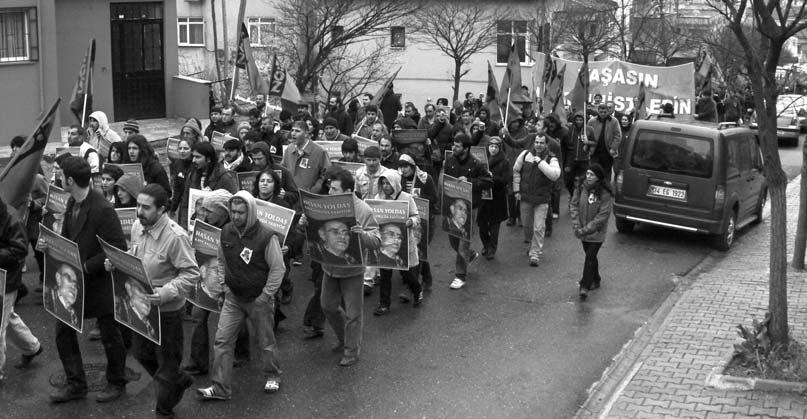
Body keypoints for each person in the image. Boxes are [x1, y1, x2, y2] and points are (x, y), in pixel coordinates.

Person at [107, 184, 200, 418]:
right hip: (142, 307)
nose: (139, 211)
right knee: (141, 355)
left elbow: (192, 274)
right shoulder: (139, 226)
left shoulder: (176, 237)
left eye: (146, 207)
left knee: (167, 365)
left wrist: (166, 292)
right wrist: (117, 262)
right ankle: (179, 379)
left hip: (167, 312)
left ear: (161, 209)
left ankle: (164, 409)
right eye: (138, 205)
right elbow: (136, 255)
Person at [41, 156, 129, 403]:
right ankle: (76, 384)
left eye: (60, 174)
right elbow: (70, 239)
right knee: (63, 331)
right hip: (75, 282)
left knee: (111, 336)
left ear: (69, 180)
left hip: (99, 283)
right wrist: (51, 244)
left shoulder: (102, 209)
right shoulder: (72, 202)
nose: (57, 177)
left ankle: (117, 382)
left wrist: (85, 266)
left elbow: (116, 248)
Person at [196, 191, 285, 400]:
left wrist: (265, 296)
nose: (235, 216)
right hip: (233, 298)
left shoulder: (267, 236)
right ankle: (220, 388)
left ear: (251, 212)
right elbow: (220, 259)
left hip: (258, 300)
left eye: (241, 213)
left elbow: (278, 269)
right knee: (222, 341)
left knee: (265, 341)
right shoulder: (226, 231)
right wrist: (224, 286)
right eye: (233, 211)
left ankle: (273, 375)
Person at [299, 168, 381, 366]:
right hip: (330, 267)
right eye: (329, 188)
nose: (329, 193)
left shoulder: (363, 209)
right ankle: (345, 338)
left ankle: (352, 351)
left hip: (352, 270)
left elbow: (377, 241)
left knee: (354, 314)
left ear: (348, 191)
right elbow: (310, 233)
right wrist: (302, 224)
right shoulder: (323, 205)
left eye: (334, 189)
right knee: (327, 305)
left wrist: (362, 234)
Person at [0, 195, 43, 383]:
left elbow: (20, 250)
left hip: (5, 280)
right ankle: (32, 347)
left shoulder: (11, 217)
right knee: (6, 316)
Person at [442, 134, 492, 289]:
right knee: (453, 239)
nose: (453, 148)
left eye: (457, 146)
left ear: (466, 148)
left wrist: (469, 182)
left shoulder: (476, 164)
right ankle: (470, 255)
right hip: (452, 205)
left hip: (469, 208)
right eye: (453, 145)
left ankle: (460, 276)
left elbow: (488, 181)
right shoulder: (450, 161)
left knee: (463, 240)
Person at [370, 172, 422, 316]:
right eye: (383, 183)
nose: (386, 187)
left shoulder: (406, 197)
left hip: (402, 243)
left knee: (406, 274)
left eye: (389, 183)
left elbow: (416, 216)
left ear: (395, 183)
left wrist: (411, 221)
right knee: (385, 274)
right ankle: (384, 304)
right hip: (385, 244)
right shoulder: (377, 198)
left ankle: (417, 291)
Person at [513, 134, 561, 267]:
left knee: (539, 227)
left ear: (546, 144)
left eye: (541, 142)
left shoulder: (552, 159)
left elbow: (555, 175)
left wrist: (540, 162)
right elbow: (516, 171)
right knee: (527, 226)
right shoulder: (524, 155)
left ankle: (535, 253)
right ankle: (531, 242)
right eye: (537, 142)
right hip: (525, 198)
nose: (538, 145)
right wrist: (516, 190)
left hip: (542, 199)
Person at [570, 164, 613, 299]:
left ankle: (585, 285)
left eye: (592, 175)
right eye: (587, 174)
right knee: (591, 256)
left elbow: (603, 215)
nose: (588, 177)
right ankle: (596, 278)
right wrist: (577, 226)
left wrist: (586, 229)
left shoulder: (605, 193)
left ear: (598, 178)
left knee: (589, 256)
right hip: (582, 230)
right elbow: (574, 205)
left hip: (596, 232)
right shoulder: (580, 187)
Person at [396, 154, 438, 289]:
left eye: (406, 166)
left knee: (419, 249)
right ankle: (427, 278)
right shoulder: (397, 179)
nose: (403, 170)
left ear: (413, 166)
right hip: (407, 220)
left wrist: (417, 198)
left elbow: (434, 198)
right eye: (401, 166)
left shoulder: (426, 179)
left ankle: (412, 287)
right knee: (416, 250)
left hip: (424, 220)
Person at [178, 142, 239, 228]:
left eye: (198, 157)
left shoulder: (225, 178)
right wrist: (184, 226)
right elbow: (185, 204)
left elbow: (235, 205)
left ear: (208, 159)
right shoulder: (192, 175)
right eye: (193, 157)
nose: (193, 160)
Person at [476, 137, 511, 259]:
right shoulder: (481, 160)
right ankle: (486, 244)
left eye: (496, 147)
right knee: (482, 225)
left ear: (500, 148)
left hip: (497, 198)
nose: (493, 149)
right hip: (484, 197)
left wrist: (492, 177)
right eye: (491, 146)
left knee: (494, 226)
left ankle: (492, 248)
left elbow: (505, 180)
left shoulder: (504, 162)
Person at [281, 121, 331, 192]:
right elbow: (283, 169)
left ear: (306, 134)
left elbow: (327, 174)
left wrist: (316, 188)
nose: (293, 134)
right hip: (291, 195)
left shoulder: (320, 151)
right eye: (292, 130)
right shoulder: (289, 149)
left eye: (297, 131)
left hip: (309, 197)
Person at [586, 103, 622, 180]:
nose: (603, 114)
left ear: (608, 111)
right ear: (598, 111)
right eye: (601, 112)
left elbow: (618, 136)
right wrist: (588, 148)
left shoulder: (614, 121)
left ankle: (606, 189)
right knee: (594, 172)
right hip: (594, 152)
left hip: (608, 152)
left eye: (605, 112)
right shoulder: (591, 121)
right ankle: (594, 189)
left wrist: (613, 148)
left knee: (606, 173)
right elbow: (587, 135)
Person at [562, 112, 591, 197]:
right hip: (571, 160)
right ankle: (572, 195)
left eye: (581, 120)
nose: (579, 122)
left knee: (583, 181)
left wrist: (588, 142)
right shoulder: (569, 129)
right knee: (568, 181)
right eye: (577, 120)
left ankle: (580, 197)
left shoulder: (589, 129)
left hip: (584, 160)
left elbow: (594, 142)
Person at [43, 263, 81, 328]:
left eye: (76, 284)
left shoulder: (73, 311)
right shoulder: (50, 302)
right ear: (58, 278)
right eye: (68, 278)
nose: (73, 287)